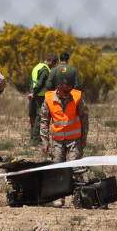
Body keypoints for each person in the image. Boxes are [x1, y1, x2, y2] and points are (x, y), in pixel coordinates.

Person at [41, 77, 89, 207]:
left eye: (69, 91)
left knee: (76, 169)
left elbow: (85, 118)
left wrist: (84, 138)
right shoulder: (49, 99)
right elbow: (44, 120)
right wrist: (45, 141)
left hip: (74, 139)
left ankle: (79, 199)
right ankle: (58, 198)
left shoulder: (77, 97)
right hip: (58, 140)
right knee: (58, 168)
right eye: (65, 91)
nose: (67, 94)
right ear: (58, 88)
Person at [28, 52, 59, 144]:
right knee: (39, 117)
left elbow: (31, 81)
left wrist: (31, 92)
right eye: (55, 63)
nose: (54, 65)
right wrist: (34, 93)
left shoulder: (37, 66)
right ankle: (36, 140)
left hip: (33, 95)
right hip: (40, 96)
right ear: (52, 61)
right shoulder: (45, 70)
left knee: (33, 116)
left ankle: (33, 138)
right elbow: (40, 84)